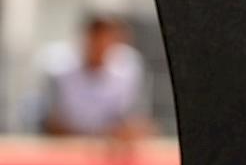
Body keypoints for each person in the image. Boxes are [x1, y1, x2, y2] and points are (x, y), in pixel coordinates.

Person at [24, 13, 152, 139]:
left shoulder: (129, 68)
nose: (101, 45)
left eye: (106, 39)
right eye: (96, 38)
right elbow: (50, 122)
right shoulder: (58, 68)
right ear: (85, 38)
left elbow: (135, 120)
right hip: (67, 147)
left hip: (109, 149)